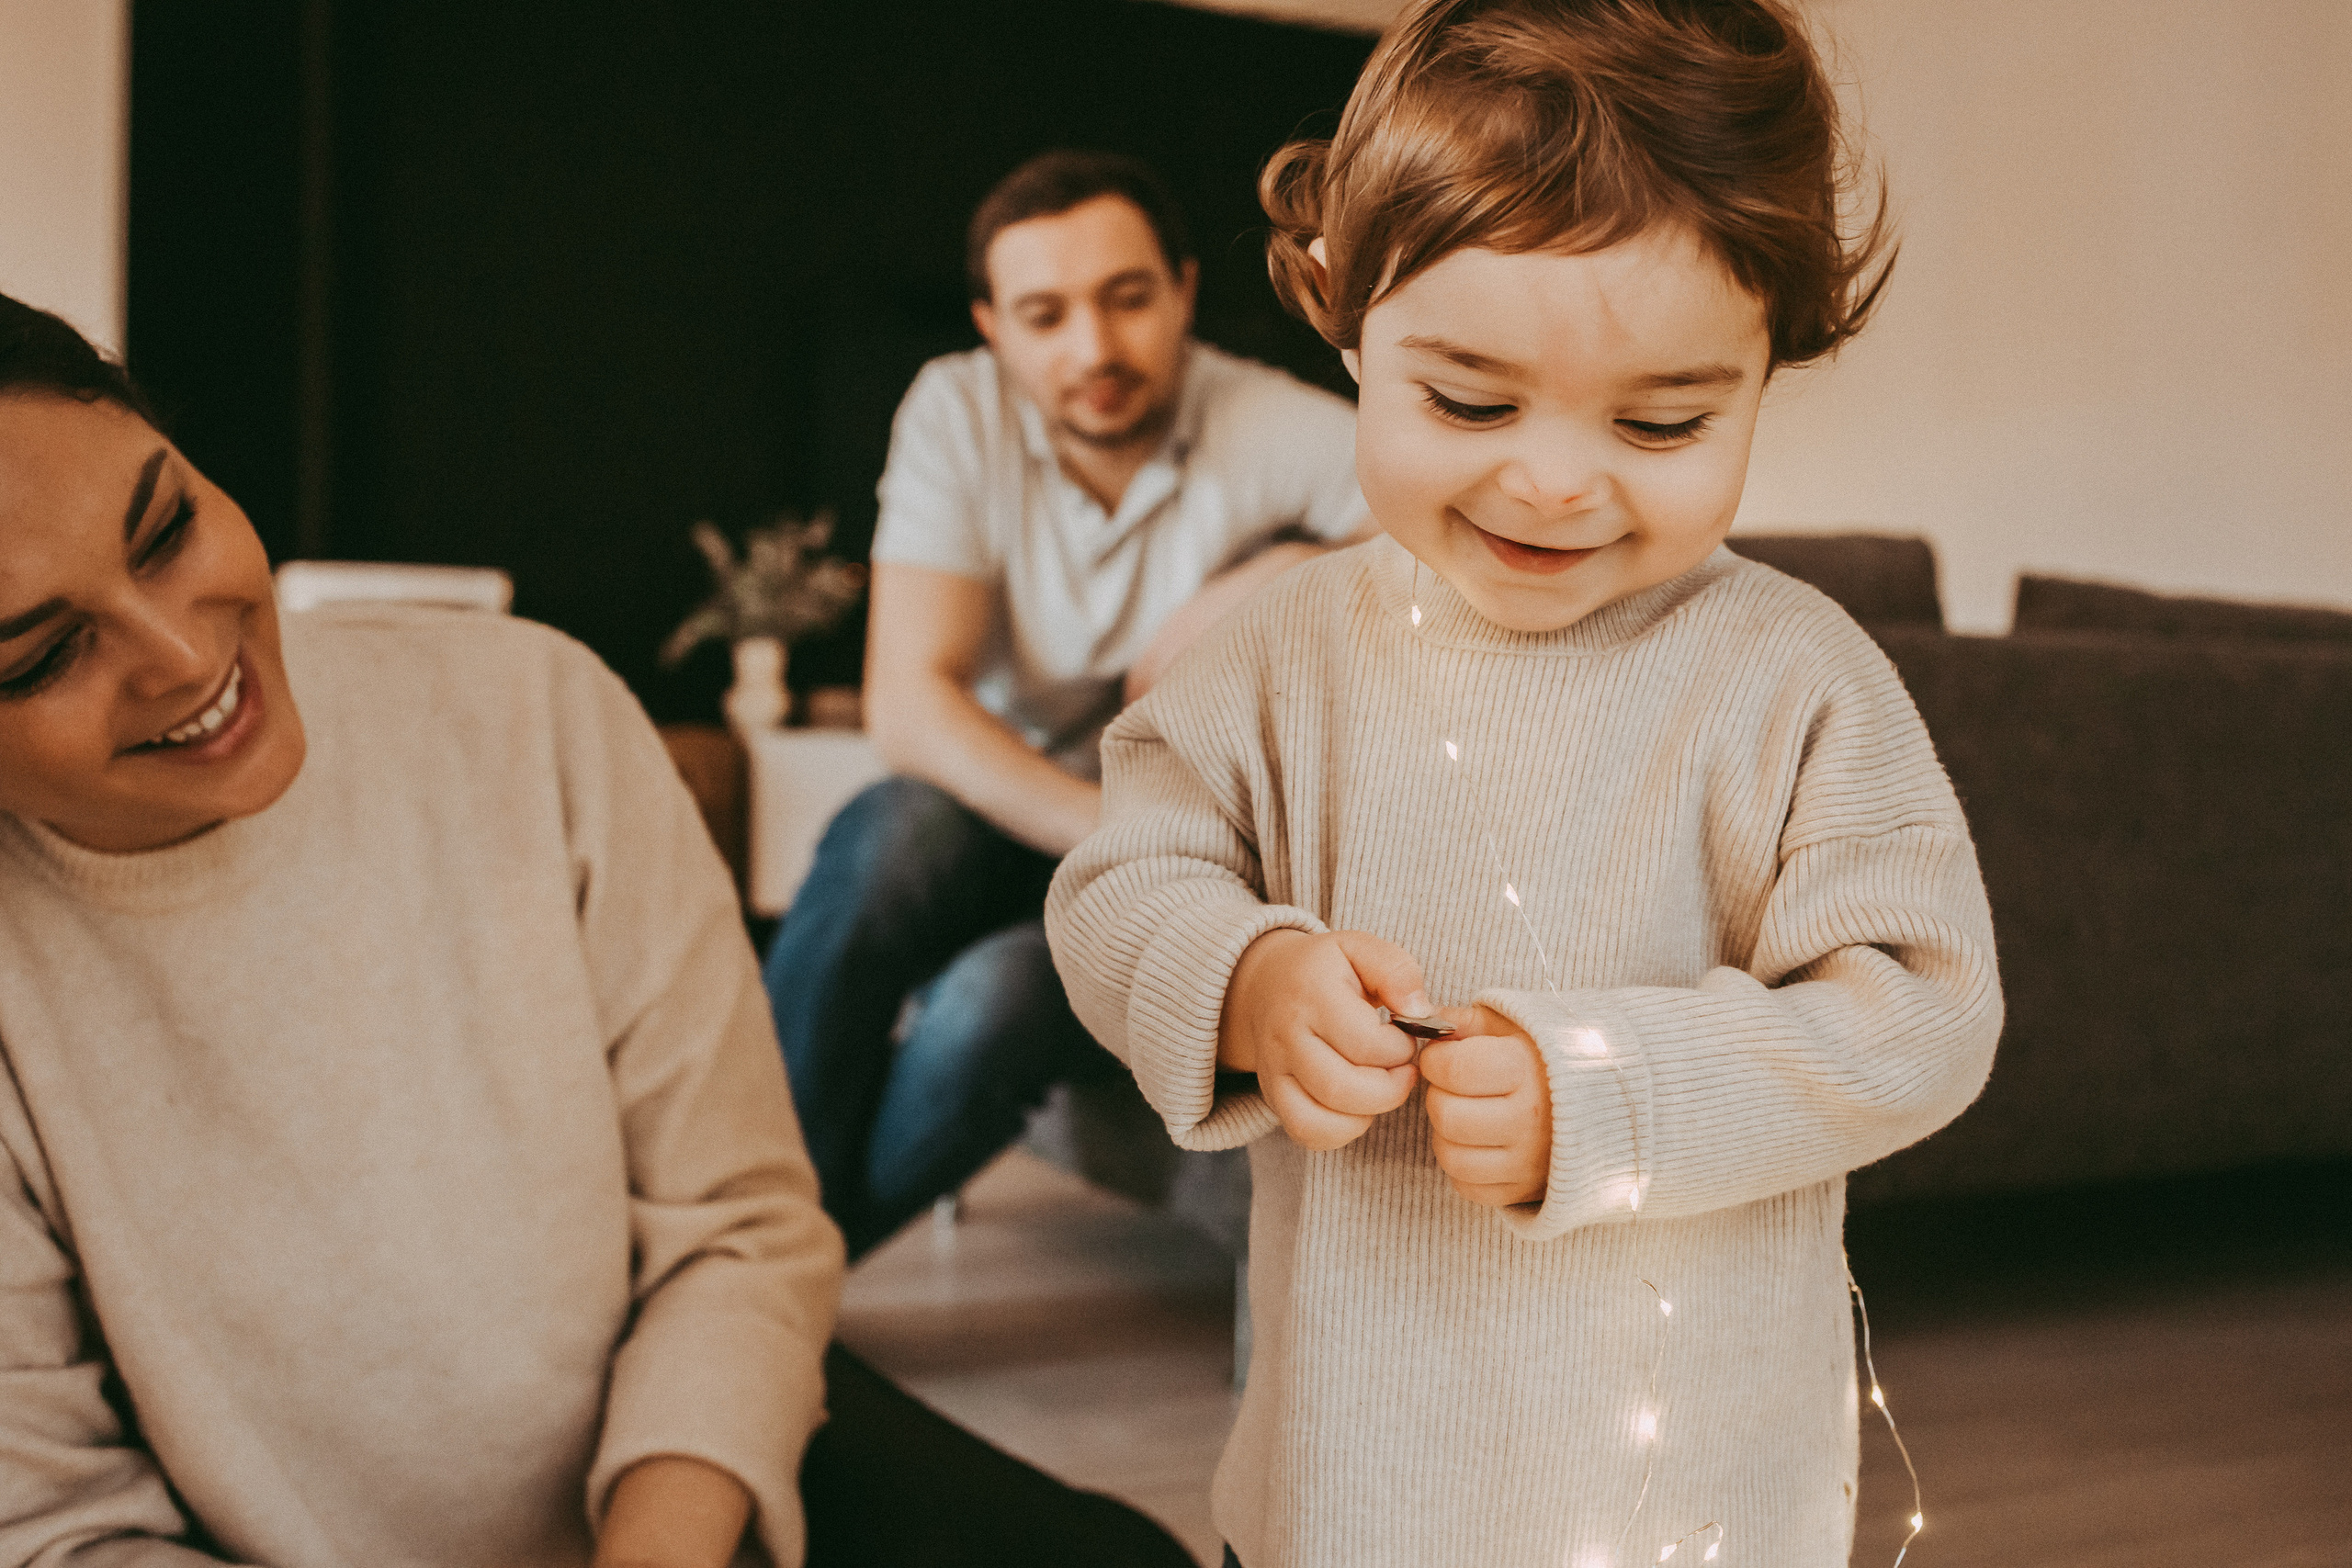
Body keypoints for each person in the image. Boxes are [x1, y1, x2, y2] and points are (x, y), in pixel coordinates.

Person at [0, 294, 1194, 1568]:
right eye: (42, 655)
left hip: (686, 1476)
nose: (183, 655)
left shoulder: (534, 711)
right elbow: (55, 1528)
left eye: (167, 529)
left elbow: (742, 1222)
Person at [1045, 3, 2004, 1565]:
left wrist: (1614, 1090)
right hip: (1344, 1487)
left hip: (1695, 1504)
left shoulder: (1796, 675)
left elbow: (1930, 1010)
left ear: (1770, 364)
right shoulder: (1280, 653)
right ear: (1348, 325)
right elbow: (1115, 893)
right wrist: (1245, 982)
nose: (1554, 480)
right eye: (1470, 402)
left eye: (1662, 419)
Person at [764, 150, 1369, 1258]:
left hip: (1171, 858)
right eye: (1044, 316)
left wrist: (1281, 571)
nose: (1092, 349)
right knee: (890, 833)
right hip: (1005, 812)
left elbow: (1433, 521)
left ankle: (760, 1277)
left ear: (1183, 289)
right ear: (992, 327)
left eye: (1126, 298)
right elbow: (909, 703)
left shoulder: (1264, 420)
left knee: (992, 1003)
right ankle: (747, 1239)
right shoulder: (956, 410)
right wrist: (1101, 829)